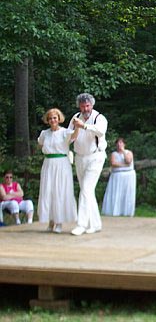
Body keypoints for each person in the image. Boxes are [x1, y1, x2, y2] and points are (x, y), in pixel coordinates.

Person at [68, 93, 108, 236]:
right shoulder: (75, 118)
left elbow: (100, 131)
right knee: (87, 192)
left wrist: (84, 126)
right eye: (83, 106)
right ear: (79, 106)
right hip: (80, 157)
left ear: (92, 105)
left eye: (88, 105)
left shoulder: (99, 118)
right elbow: (69, 137)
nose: (85, 108)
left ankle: (81, 224)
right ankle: (95, 224)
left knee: (85, 189)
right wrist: (77, 128)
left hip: (95, 157)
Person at [37, 108, 79, 233]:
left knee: (60, 191)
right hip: (48, 164)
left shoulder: (65, 132)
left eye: (54, 118)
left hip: (62, 164)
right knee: (48, 191)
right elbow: (40, 144)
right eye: (50, 118)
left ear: (58, 119)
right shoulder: (44, 133)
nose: (52, 120)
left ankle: (59, 222)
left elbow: (74, 136)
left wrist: (77, 127)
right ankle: (51, 222)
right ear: (47, 120)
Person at [101, 137, 136, 217]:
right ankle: (115, 211)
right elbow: (113, 163)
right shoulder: (114, 154)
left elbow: (129, 161)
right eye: (118, 143)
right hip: (117, 176)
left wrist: (123, 151)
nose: (119, 144)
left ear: (124, 144)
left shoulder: (128, 152)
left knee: (126, 194)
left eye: (121, 143)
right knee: (116, 193)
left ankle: (127, 212)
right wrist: (124, 165)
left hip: (128, 176)